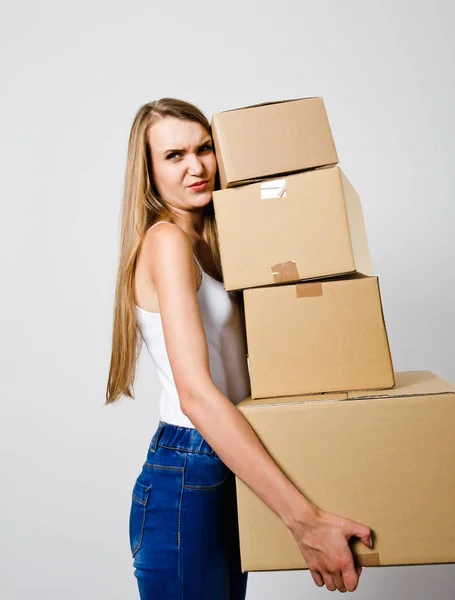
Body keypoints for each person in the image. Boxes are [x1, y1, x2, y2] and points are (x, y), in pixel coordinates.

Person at [105, 97, 373, 599]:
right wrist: (305, 521)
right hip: (189, 464)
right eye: (174, 156)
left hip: (227, 454)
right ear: (147, 173)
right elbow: (198, 395)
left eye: (204, 149)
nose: (196, 167)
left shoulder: (215, 245)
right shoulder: (165, 241)